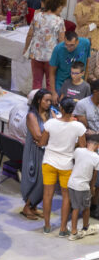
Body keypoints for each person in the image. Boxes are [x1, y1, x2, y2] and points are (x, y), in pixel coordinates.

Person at [36, 97, 86, 234]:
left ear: (61, 109)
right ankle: (63, 229)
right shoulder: (79, 127)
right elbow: (82, 147)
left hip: (49, 162)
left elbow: (42, 143)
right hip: (66, 165)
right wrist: (73, 143)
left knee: (47, 194)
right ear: (72, 110)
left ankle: (47, 226)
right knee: (66, 197)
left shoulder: (50, 123)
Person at [24, 0, 67, 90]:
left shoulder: (37, 16)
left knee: (36, 81)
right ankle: (48, 99)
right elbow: (61, 41)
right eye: (61, 7)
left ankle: (35, 98)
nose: (61, 10)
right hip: (51, 56)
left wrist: (26, 48)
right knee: (50, 82)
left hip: (35, 54)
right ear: (56, 6)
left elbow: (29, 34)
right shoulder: (59, 21)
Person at [66, 132, 99, 240]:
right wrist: (92, 188)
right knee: (86, 208)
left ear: (87, 142)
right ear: (97, 145)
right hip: (83, 186)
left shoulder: (78, 151)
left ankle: (74, 230)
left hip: (71, 183)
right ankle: (83, 229)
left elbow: (74, 161)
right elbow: (94, 176)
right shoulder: (96, 157)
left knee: (75, 207)